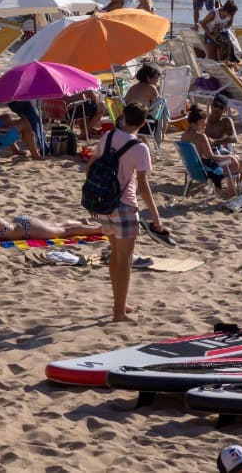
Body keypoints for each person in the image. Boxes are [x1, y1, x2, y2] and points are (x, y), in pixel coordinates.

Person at [87, 104, 168, 322]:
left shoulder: (108, 136)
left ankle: (119, 305)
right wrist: (156, 216)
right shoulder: (140, 148)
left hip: (104, 204)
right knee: (125, 261)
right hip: (124, 205)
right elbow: (143, 186)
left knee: (116, 255)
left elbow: (91, 165)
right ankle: (119, 313)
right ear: (143, 123)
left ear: (122, 117)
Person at [0, 192, 103, 242]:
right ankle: (81, 222)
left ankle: (99, 229)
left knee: (64, 232)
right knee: (57, 226)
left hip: (27, 228)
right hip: (21, 225)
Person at [179, 107, 242, 192]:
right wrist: (230, 156)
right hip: (207, 173)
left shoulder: (183, 136)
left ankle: (233, 188)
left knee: (235, 160)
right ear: (200, 121)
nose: (205, 126)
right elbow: (212, 157)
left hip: (194, 171)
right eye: (205, 123)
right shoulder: (200, 136)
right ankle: (234, 190)